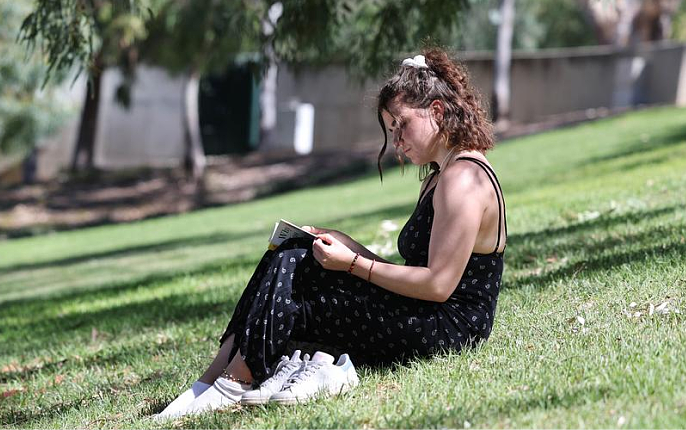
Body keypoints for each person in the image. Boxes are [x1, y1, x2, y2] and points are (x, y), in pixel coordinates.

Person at [155, 46, 507, 419]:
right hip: (423, 313)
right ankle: (212, 382)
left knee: (295, 266)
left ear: (436, 112)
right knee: (289, 251)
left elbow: (437, 285)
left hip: (446, 331)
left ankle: (231, 382)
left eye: (401, 125)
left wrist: (353, 264)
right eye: (391, 130)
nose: (397, 140)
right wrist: (346, 243)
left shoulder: (463, 180)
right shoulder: (441, 175)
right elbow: (415, 275)